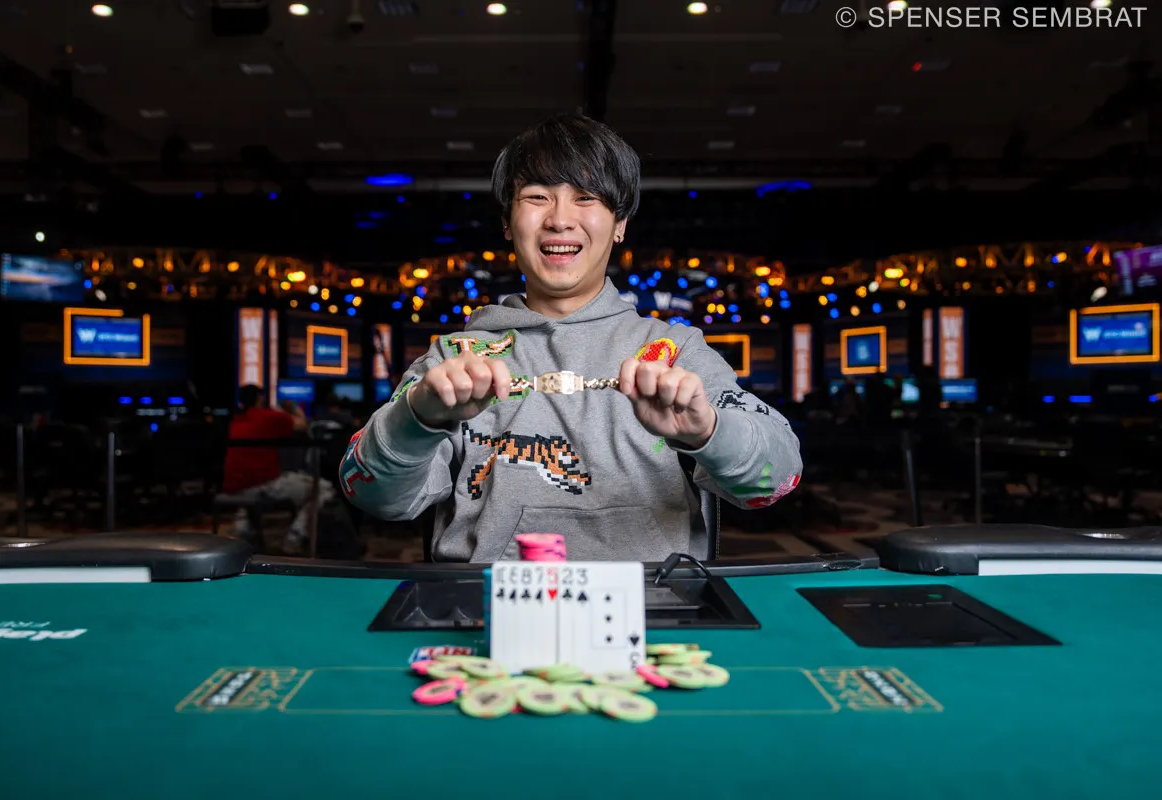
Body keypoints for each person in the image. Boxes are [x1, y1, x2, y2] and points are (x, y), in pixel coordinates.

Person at [339, 113, 803, 562]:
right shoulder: (454, 360)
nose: (560, 220)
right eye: (537, 196)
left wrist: (708, 432)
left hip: (655, 600)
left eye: (585, 197)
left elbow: (777, 478)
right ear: (507, 222)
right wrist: (417, 418)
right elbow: (373, 496)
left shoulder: (675, 352)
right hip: (488, 600)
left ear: (619, 224)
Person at [222, 384, 334, 555]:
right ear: (260, 399)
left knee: (260, 484)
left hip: (234, 485)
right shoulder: (268, 417)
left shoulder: (235, 420)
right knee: (322, 488)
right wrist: (293, 408)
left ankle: (243, 531)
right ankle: (294, 538)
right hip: (260, 484)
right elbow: (302, 424)